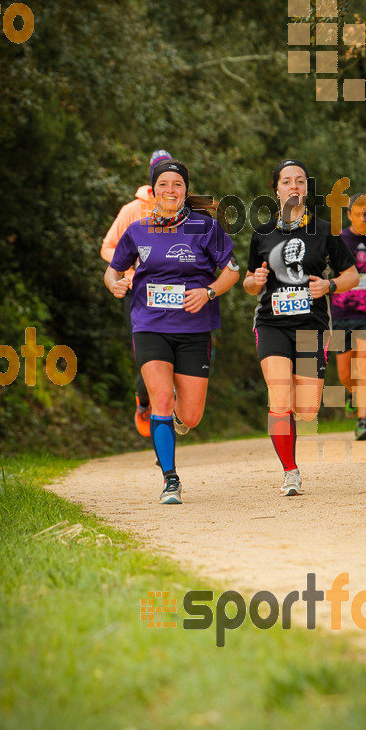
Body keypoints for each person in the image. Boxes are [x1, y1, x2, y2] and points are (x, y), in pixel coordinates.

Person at [104, 160, 239, 504]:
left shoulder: (204, 227)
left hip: (194, 329)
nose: (170, 190)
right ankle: (170, 480)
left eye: (177, 184)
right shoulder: (138, 229)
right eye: (163, 184)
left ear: (185, 191)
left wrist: (208, 291)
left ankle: (175, 423)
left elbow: (232, 271)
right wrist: (116, 284)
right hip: (149, 325)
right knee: (161, 399)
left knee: (190, 415)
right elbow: (113, 269)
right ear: (153, 190)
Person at [244, 159, 358, 496]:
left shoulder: (324, 231)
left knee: (306, 409)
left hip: (311, 327)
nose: (294, 186)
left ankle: (292, 433)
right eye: (286, 181)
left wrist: (330, 286)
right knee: (280, 399)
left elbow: (352, 275)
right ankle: (290, 471)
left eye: (300, 181)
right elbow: (250, 283)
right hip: (271, 324)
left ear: (306, 188)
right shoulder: (262, 233)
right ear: (276, 189)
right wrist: (256, 280)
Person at [101, 149, 172, 437]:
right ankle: (144, 400)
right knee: (149, 357)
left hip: (175, 292)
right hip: (138, 293)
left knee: (175, 353)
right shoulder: (132, 210)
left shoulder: (186, 210)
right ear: (152, 178)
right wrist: (128, 268)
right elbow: (108, 246)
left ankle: (167, 413)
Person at [331, 193, 366, 441]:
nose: (364, 218)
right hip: (341, 312)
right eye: (359, 213)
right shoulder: (338, 239)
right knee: (345, 373)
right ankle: (353, 396)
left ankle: (362, 423)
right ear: (349, 215)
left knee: (365, 363)